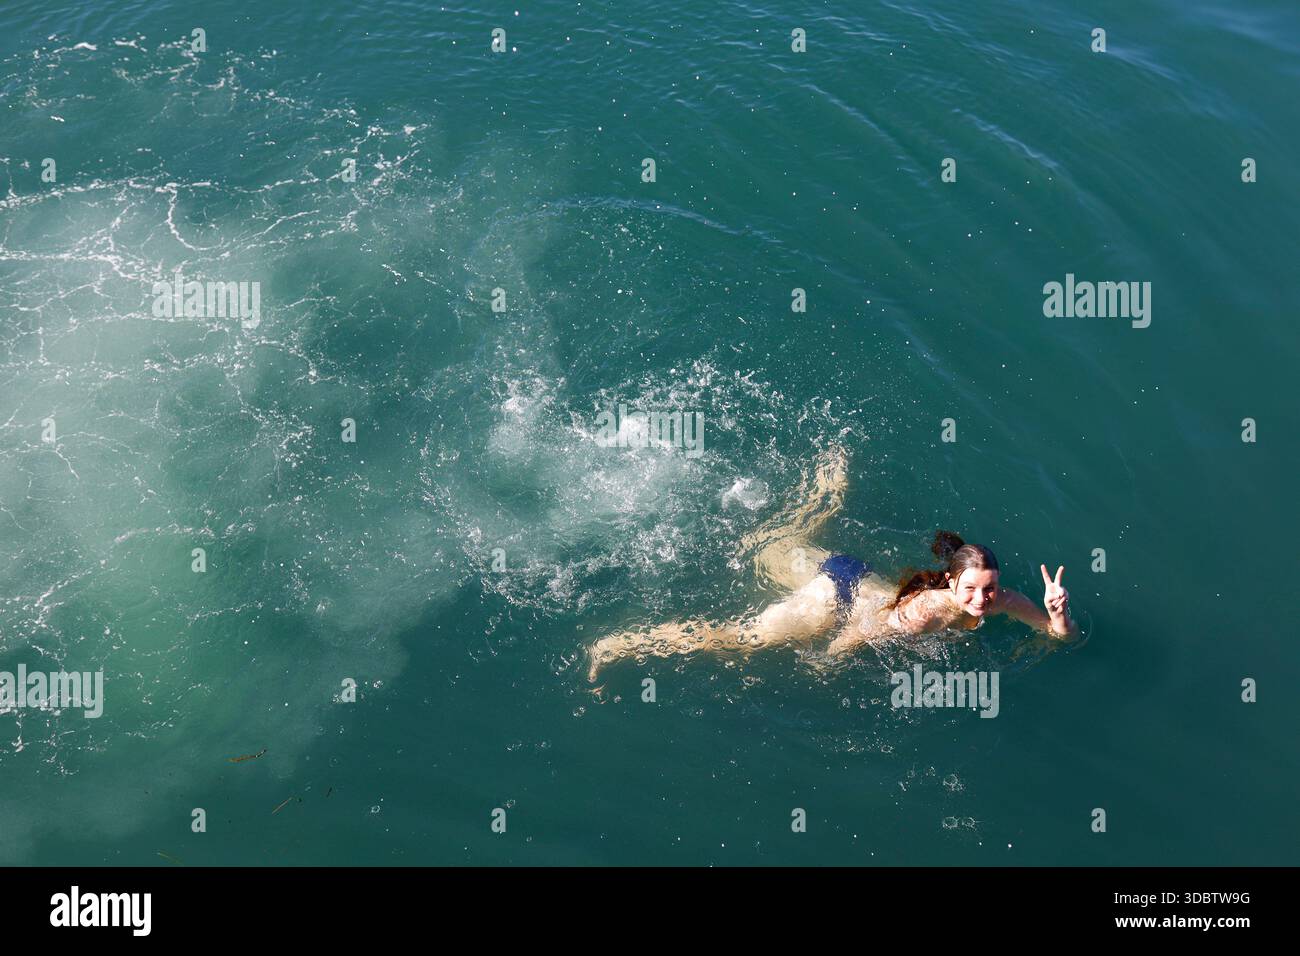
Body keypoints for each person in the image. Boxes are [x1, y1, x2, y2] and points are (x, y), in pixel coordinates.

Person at [587, 446, 1077, 680]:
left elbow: (1059, 638)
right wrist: (828, 660)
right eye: (970, 590)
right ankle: (621, 645)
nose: (981, 599)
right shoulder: (927, 610)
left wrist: (1057, 615)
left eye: (989, 589)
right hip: (835, 599)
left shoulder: (1003, 602)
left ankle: (828, 484)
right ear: (951, 584)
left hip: (850, 571)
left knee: (777, 544)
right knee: (739, 641)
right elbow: (865, 630)